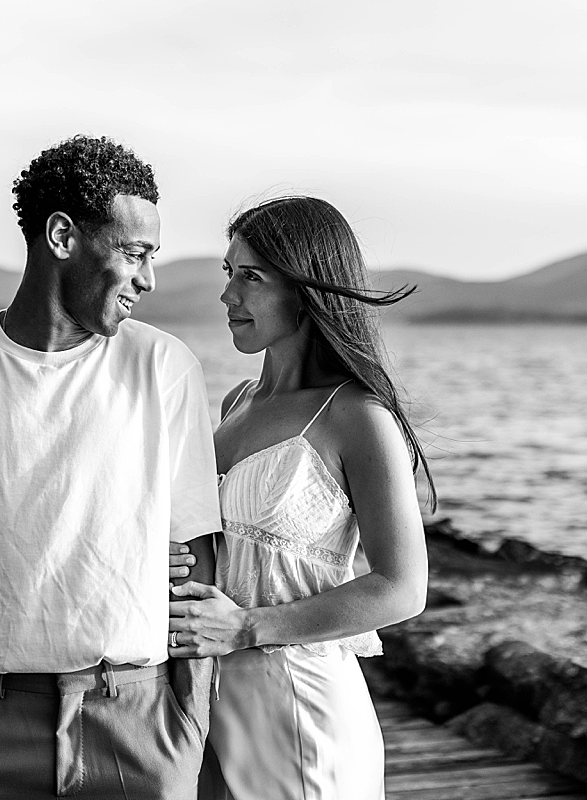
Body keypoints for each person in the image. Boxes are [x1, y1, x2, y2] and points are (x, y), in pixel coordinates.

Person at [0, 135, 220, 800]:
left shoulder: (163, 367)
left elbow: (197, 553)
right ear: (62, 235)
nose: (149, 278)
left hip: (139, 729)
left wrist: (188, 723)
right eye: (135, 253)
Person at [167, 196, 432, 799]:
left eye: (250, 277)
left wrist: (245, 628)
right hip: (213, 699)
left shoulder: (357, 416)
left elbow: (402, 587)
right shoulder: (236, 403)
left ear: (306, 291)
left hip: (301, 701)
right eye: (228, 274)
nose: (228, 296)